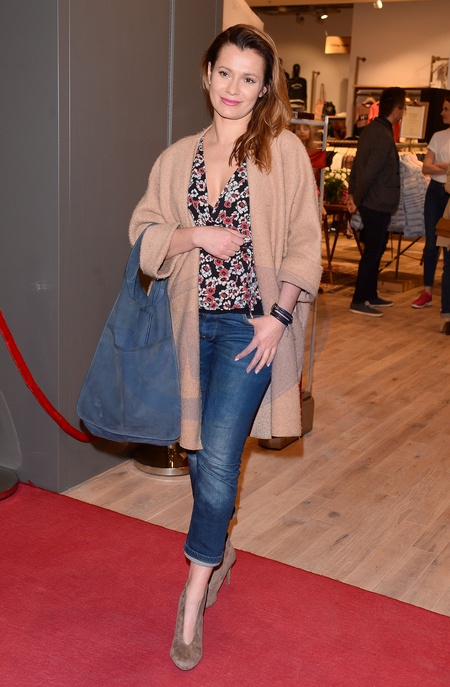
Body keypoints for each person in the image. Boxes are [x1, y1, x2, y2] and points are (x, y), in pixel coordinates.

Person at [128, 24, 322, 670]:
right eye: (224, 72)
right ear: (206, 73)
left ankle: (192, 594)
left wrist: (278, 317)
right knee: (199, 451)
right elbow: (144, 232)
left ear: (265, 88)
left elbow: (305, 240)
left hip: (249, 329)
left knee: (215, 462)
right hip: (188, 326)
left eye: (249, 78)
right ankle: (219, 549)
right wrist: (195, 235)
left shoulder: (282, 152)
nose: (233, 88)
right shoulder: (176, 158)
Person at [346, 87, 406, 317]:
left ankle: (370, 294)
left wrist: (353, 193)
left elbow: (358, 165)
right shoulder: (381, 134)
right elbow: (369, 172)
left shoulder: (372, 130)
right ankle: (359, 299)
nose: (403, 113)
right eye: (403, 109)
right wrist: (356, 198)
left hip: (373, 201)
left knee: (377, 249)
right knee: (373, 251)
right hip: (375, 202)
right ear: (397, 109)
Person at [411, 92, 450, 310]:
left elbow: (431, 165)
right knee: (431, 243)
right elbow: (426, 167)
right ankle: (427, 291)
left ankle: (446, 296)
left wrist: (440, 165)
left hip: (449, 194)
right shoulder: (438, 136)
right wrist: (446, 167)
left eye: (446, 109)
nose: (442, 113)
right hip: (435, 191)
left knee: (448, 245)